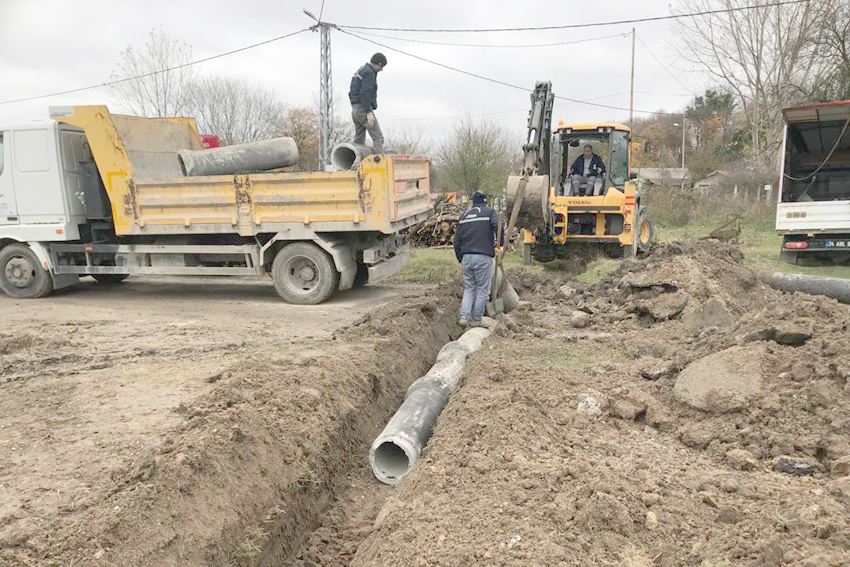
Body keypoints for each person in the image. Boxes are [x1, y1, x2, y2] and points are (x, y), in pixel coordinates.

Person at [454, 191, 499, 327]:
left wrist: (459, 259)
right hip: (483, 256)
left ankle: (464, 317)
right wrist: (500, 244)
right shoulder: (490, 212)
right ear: (485, 201)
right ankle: (476, 319)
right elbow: (498, 227)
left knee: (469, 288)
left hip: (466, 257)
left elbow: (457, 240)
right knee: (483, 290)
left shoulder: (464, 216)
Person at [348, 53, 387, 152]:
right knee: (378, 138)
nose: (381, 69)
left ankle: (355, 164)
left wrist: (355, 107)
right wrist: (368, 112)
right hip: (363, 109)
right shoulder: (369, 73)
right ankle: (377, 164)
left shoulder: (361, 70)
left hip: (355, 110)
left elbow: (351, 92)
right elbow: (365, 94)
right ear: (377, 64)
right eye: (381, 66)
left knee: (358, 141)